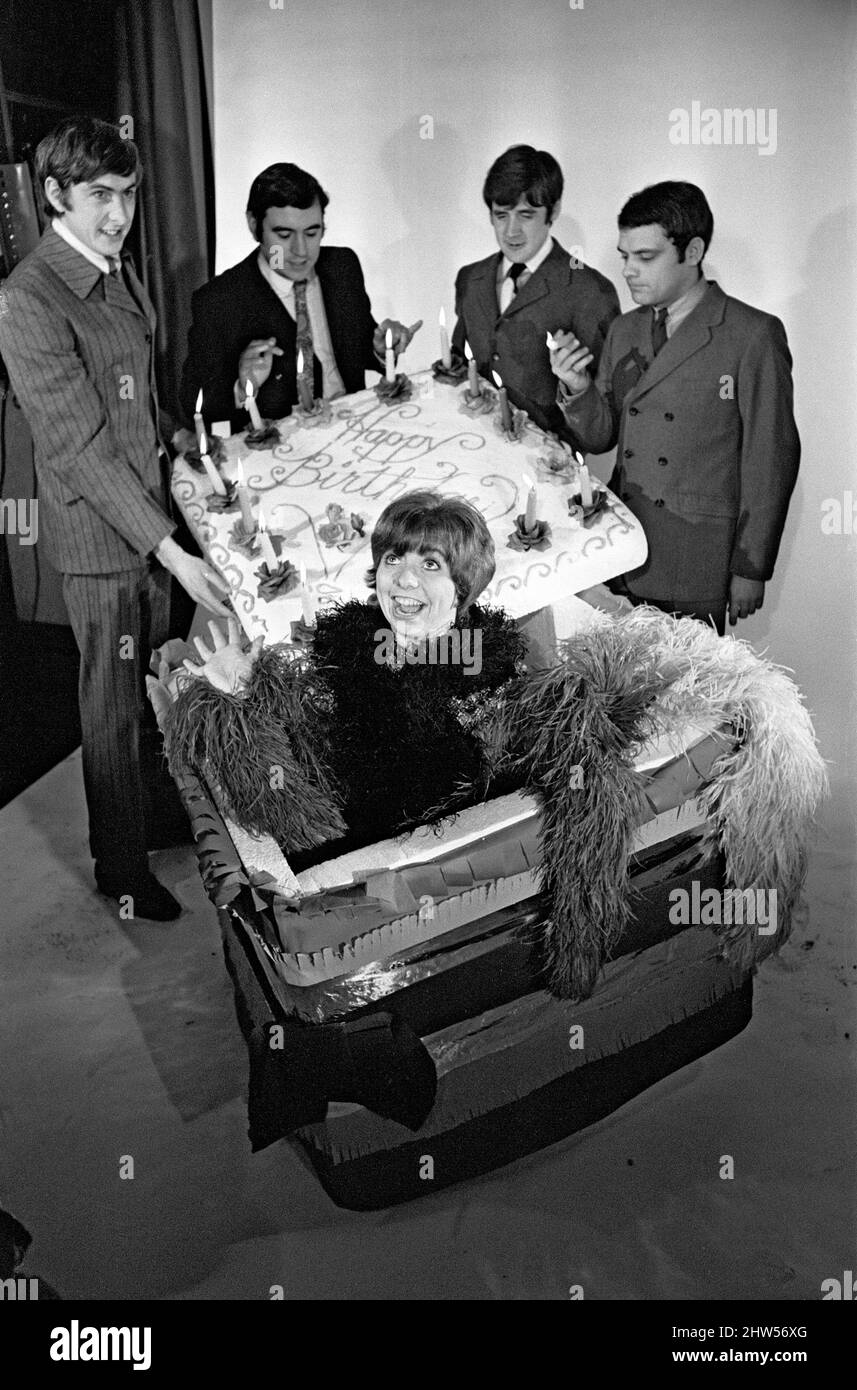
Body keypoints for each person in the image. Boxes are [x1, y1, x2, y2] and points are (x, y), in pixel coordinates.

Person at [0, 117, 231, 921]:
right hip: (101, 539)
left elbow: (138, 398)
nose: (119, 213)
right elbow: (80, 448)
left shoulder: (116, 270)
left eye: (128, 195)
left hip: (149, 521)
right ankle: (121, 865)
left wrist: (182, 440)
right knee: (107, 700)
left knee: (149, 685)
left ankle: (155, 813)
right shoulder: (28, 298)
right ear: (55, 194)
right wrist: (173, 552)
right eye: (101, 195)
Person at [161, 492, 526, 863]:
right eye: (393, 558)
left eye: (430, 565)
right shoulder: (347, 647)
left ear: (463, 587)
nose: (404, 579)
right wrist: (247, 695)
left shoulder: (488, 681)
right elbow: (303, 762)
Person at [553, 180, 800, 633]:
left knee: (684, 696)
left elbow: (771, 460)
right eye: (625, 256)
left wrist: (751, 566)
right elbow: (600, 436)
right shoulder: (625, 329)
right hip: (623, 548)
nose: (628, 270)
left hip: (696, 557)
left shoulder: (752, 335)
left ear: (693, 251)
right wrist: (577, 387)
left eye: (645, 257)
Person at [179, 163, 422, 432]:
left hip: (353, 432)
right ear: (253, 225)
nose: (300, 250)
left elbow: (360, 351)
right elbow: (194, 403)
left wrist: (380, 348)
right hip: (278, 452)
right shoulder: (220, 299)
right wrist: (242, 385)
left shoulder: (343, 266)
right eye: (284, 235)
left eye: (312, 233)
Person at [450, 144, 619, 445]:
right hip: (470, 452)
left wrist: (576, 386)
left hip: (545, 471)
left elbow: (601, 437)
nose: (511, 232)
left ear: (552, 211)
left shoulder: (592, 292)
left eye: (525, 215)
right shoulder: (470, 279)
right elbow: (460, 365)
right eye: (501, 215)